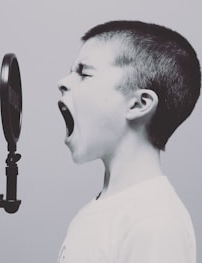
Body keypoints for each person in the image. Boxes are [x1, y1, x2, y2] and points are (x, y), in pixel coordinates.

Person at [57, 20, 201, 263]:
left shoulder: (155, 222)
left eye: (84, 73)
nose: (63, 82)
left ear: (138, 104)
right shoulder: (95, 213)